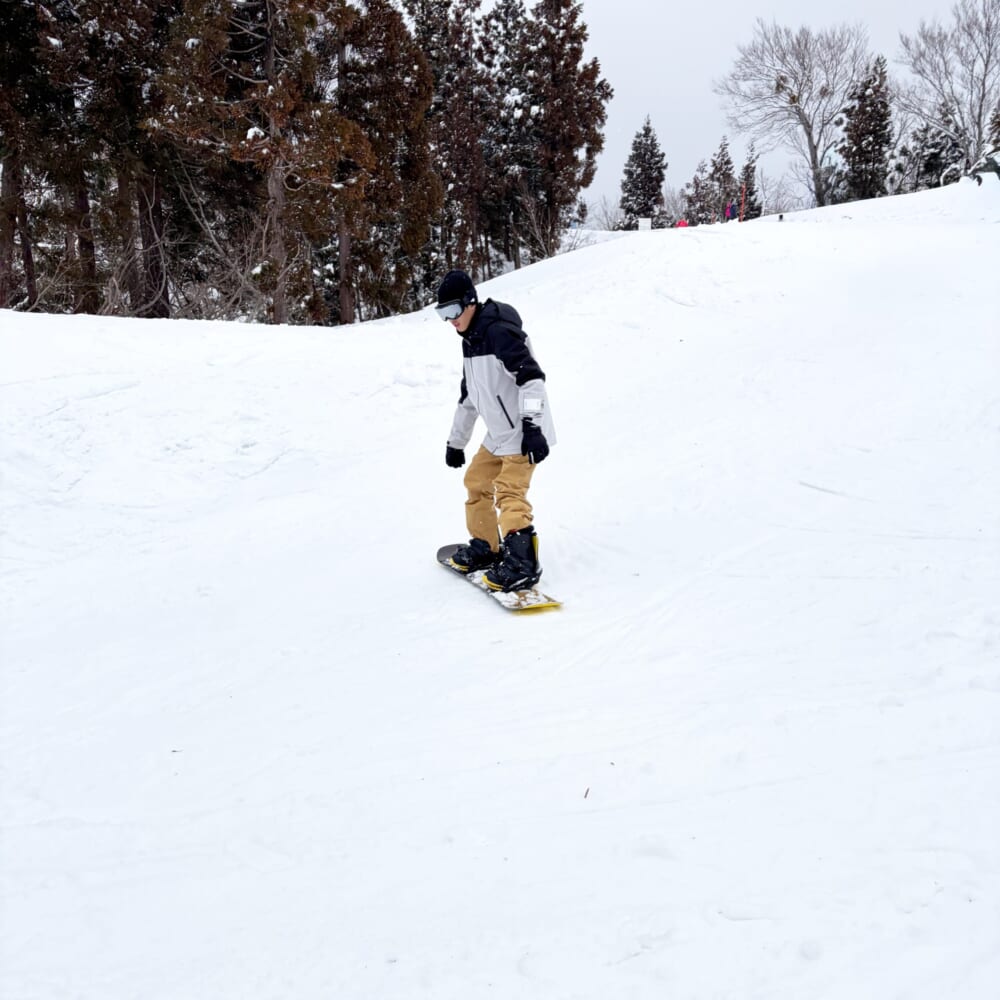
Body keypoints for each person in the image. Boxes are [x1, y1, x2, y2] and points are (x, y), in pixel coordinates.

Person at [436, 269, 555, 592]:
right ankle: (486, 546)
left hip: (524, 433)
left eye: (453, 310)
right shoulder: (470, 341)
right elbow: (469, 397)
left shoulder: (499, 333)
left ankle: (523, 565)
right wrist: (456, 442)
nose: (450, 320)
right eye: (442, 313)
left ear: (470, 302)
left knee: (509, 492)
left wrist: (533, 428)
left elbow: (532, 380)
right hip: (499, 434)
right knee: (476, 481)